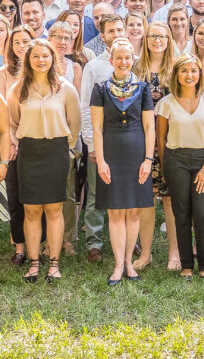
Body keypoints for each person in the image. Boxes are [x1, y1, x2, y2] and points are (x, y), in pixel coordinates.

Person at [8, 39, 81, 282]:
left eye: (45, 56)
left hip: (56, 152)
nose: (41, 60)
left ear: (53, 59)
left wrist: (65, 148)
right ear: (28, 60)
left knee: (54, 209)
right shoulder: (18, 89)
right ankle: (34, 263)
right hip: (28, 153)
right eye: (36, 56)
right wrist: (20, 144)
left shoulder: (66, 89)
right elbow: (12, 123)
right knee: (30, 210)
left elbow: (75, 123)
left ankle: (54, 264)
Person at [91, 38, 154, 285]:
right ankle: (118, 265)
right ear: (111, 60)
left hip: (137, 155)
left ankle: (129, 262)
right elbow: (97, 128)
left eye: (128, 57)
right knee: (116, 212)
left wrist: (148, 160)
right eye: (119, 57)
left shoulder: (143, 89)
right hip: (111, 155)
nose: (123, 62)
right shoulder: (100, 89)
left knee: (134, 212)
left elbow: (149, 127)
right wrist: (101, 161)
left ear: (133, 60)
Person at [157, 54, 204, 280]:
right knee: (181, 213)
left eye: (193, 70)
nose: (189, 75)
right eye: (184, 71)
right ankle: (186, 265)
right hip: (176, 160)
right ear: (176, 74)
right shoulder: (166, 103)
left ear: (200, 74)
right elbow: (161, 140)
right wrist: (167, 168)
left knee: (202, 214)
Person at [132, 21, 180, 270]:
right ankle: (146, 253)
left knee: (171, 199)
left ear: (169, 39)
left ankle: (174, 253)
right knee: (146, 200)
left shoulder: (177, 69)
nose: (157, 40)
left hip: (170, 142)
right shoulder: (135, 69)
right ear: (146, 39)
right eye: (152, 36)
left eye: (162, 36)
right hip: (142, 144)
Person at [81, 14, 126, 264]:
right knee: (97, 193)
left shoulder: (135, 62)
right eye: (111, 31)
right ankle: (94, 242)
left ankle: (129, 238)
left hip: (128, 139)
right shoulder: (94, 67)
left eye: (120, 29)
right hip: (101, 139)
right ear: (103, 36)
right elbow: (85, 107)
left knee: (126, 190)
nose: (116, 34)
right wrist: (90, 144)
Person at [1, 25, 35, 266]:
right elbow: (4, 118)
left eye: (26, 41)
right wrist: (11, 144)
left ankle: (41, 244)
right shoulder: (3, 74)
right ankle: (20, 247)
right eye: (17, 42)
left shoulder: (42, 72)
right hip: (12, 146)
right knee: (15, 199)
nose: (22, 46)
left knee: (38, 198)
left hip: (38, 145)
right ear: (10, 47)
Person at [48, 21, 83, 255]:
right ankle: (47, 237)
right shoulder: (41, 63)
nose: (62, 42)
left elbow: (76, 106)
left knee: (69, 190)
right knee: (46, 190)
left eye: (67, 38)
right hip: (45, 133)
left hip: (69, 134)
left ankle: (68, 238)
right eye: (58, 37)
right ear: (49, 38)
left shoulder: (75, 67)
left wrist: (71, 140)